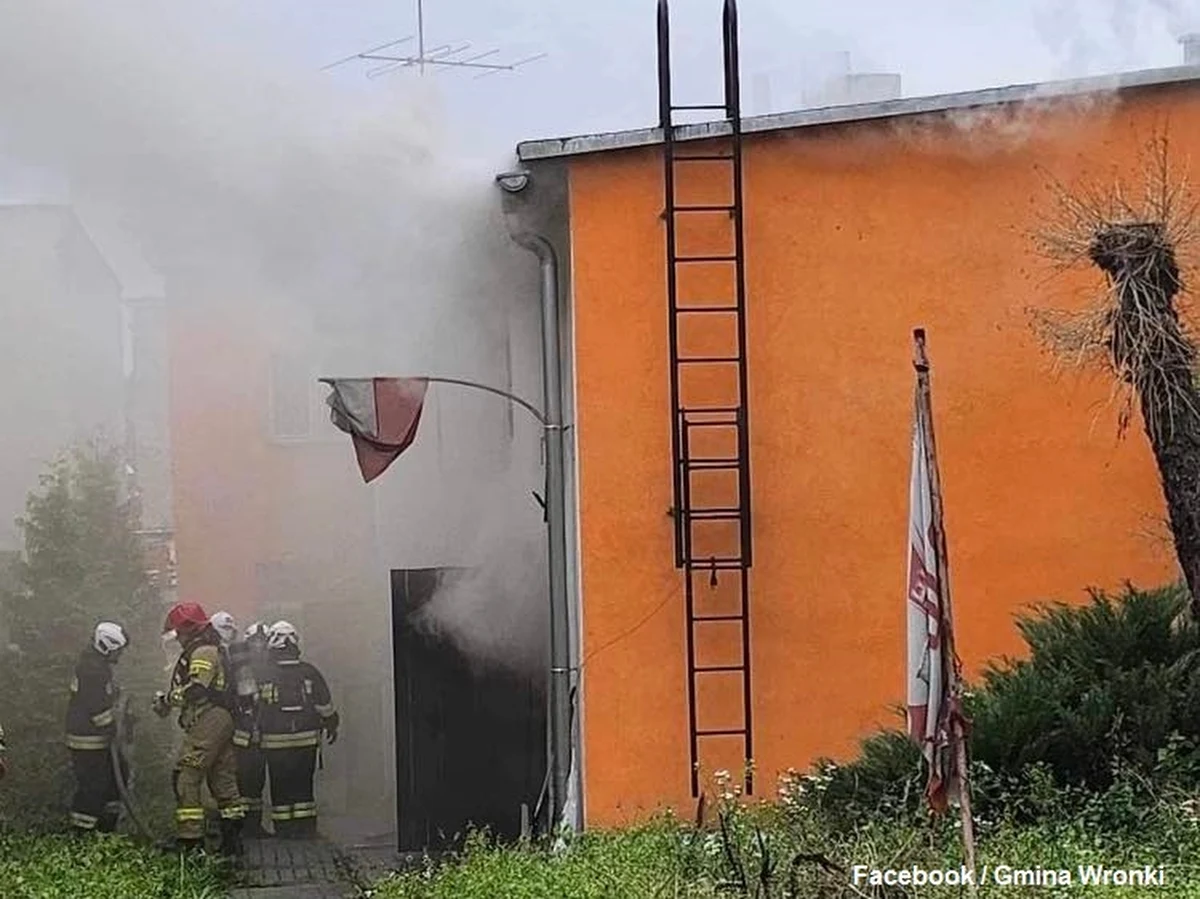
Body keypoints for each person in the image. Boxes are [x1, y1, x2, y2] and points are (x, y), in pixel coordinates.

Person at [153, 601, 244, 856]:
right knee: (222, 779)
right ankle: (232, 844)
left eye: (179, 632)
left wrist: (167, 700)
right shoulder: (209, 648)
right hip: (220, 719)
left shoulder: (202, 652)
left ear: (189, 629)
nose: (178, 638)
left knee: (186, 774)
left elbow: (197, 689)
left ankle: (191, 843)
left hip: (209, 719)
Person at [259, 621, 338, 839]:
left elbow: (253, 706)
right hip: (306, 741)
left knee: (280, 784)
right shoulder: (310, 672)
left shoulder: (264, 674)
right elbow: (325, 704)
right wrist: (332, 723)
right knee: (304, 784)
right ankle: (305, 829)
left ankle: (285, 830)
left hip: (275, 743)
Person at [65, 622, 128, 834]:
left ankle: (106, 828)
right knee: (93, 786)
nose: (119, 655)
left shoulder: (97, 665)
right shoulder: (92, 669)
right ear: (106, 646)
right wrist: (111, 727)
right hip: (87, 738)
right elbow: (96, 707)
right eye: (117, 650)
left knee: (117, 776)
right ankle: (81, 834)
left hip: (96, 737)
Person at [230, 621, 271, 837]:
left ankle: (253, 826)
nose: (260, 647)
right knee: (245, 782)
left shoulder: (267, 669)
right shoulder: (243, 670)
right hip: (244, 736)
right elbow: (245, 702)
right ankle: (244, 828)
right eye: (256, 642)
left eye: (262, 642)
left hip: (257, 735)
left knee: (256, 783)